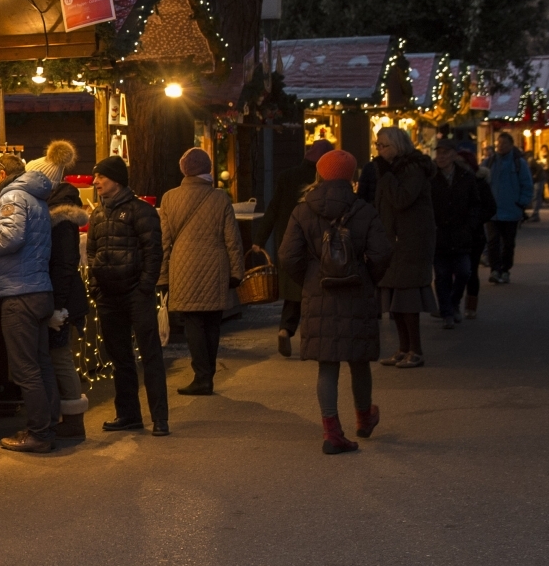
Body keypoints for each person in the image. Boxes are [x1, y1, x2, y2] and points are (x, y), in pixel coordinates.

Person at [280, 150, 393, 454]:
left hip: (319, 293)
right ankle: (364, 416)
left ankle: (332, 432)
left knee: (327, 365)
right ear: (350, 176)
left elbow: (287, 256)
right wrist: (367, 276)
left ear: (319, 174)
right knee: (359, 361)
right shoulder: (364, 210)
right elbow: (382, 253)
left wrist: (310, 276)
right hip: (357, 292)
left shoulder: (302, 211)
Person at [0, 152, 59, 452]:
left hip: (19, 293)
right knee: (41, 364)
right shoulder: (37, 198)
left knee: (25, 369)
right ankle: (50, 426)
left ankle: (38, 434)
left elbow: (10, 238)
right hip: (40, 290)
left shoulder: (12, 196)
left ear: (1, 173)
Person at [86, 155, 169, 436]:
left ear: (117, 181)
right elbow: (92, 252)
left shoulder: (142, 211)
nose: (95, 181)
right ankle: (129, 415)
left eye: (101, 177)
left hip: (136, 295)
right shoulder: (97, 214)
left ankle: (160, 419)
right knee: (120, 358)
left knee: (150, 356)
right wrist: (97, 288)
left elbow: (153, 252)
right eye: (95, 176)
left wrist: (144, 287)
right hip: (108, 297)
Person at [157, 147, 242, 396]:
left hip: (183, 267)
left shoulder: (169, 198)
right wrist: (237, 271)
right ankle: (208, 375)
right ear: (208, 169)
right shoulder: (220, 198)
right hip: (215, 265)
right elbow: (232, 239)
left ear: (183, 170)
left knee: (192, 322)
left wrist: (162, 276)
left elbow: (164, 241)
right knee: (212, 322)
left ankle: (201, 376)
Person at [254, 139, 330, 358]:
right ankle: (309, 339)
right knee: (315, 293)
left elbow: (273, 209)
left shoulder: (287, 177)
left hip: (289, 243)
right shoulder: (324, 181)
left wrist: (259, 239)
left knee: (293, 293)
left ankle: (285, 329)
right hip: (316, 243)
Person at [370, 127, 435, 366]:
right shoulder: (389, 169)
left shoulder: (412, 168)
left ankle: (415, 350)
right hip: (392, 240)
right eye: (377, 145)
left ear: (397, 145)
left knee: (407, 300)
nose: (379, 149)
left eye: (383, 145)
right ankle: (402, 348)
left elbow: (401, 199)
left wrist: (386, 176)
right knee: (394, 300)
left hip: (410, 242)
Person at [42, 143, 93, 442]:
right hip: (63, 294)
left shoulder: (58, 217)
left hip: (60, 296)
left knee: (59, 355)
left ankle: (73, 423)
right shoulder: (64, 210)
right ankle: (70, 420)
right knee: (59, 354)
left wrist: (58, 306)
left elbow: (63, 264)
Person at [429, 136, 490, 328]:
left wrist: (470, 225)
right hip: (439, 235)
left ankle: (454, 303)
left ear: (454, 155)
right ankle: (447, 312)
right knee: (442, 275)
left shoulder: (465, 177)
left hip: (461, 234)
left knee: (464, 272)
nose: (441, 157)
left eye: (445, 153)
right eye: (439, 153)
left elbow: (475, 204)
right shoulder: (431, 178)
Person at [481, 131, 534, 283]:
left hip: (511, 210)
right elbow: (480, 182)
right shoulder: (489, 162)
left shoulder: (518, 163)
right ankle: (494, 270)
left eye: (504, 143)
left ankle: (505, 269)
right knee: (492, 242)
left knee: (508, 243)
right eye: (499, 143)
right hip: (492, 212)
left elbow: (527, 184)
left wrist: (522, 203)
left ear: (511, 145)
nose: (501, 146)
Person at [459, 144, 494, 319]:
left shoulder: (480, 183)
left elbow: (490, 208)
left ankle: (470, 306)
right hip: (453, 233)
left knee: (470, 270)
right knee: (454, 270)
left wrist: (475, 220)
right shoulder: (451, 183)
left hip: (474, 234)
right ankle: (450, 304)